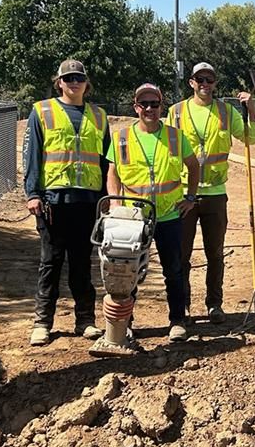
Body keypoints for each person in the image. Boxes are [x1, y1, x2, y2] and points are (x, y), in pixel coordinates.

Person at [23, 59, 111, 346]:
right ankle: (42, 322)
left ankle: (85, 320)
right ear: (59, 82)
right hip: (53, 201)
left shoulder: (99, 116)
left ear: (86, 83)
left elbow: (106, 161)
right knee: (51, 262)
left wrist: (106, 198)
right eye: (68, 78)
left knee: (82, 263)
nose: (74, 82)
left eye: (79, 78)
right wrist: (33, 194)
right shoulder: (42, 111)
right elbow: (33, 155)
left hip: (87, 201)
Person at [166, 62, 255, 331]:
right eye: (200, 79)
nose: (205, 84)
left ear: (215, 83)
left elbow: (250, 138)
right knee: (181, 255)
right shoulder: (176, 112)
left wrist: (251, 109)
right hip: (183, 194)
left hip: (216, 194)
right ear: (191, 82)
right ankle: (181, 306)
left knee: (215, 253)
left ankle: (214, 304)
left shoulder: (227, 112)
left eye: (210, 79)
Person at [106, 83, 200, 343]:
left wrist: (190, 198)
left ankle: (177, 320)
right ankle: (125, 323)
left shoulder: (175, 137)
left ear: (161, 107)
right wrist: (115, 205)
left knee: (174, 270)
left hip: (169, 215)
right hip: (135, 219)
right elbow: (112, 172)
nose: (149, 109)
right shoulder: (122, 138)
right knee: (127, 272)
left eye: (154, 104)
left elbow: (193, 166)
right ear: (136, 107)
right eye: (144, 104)